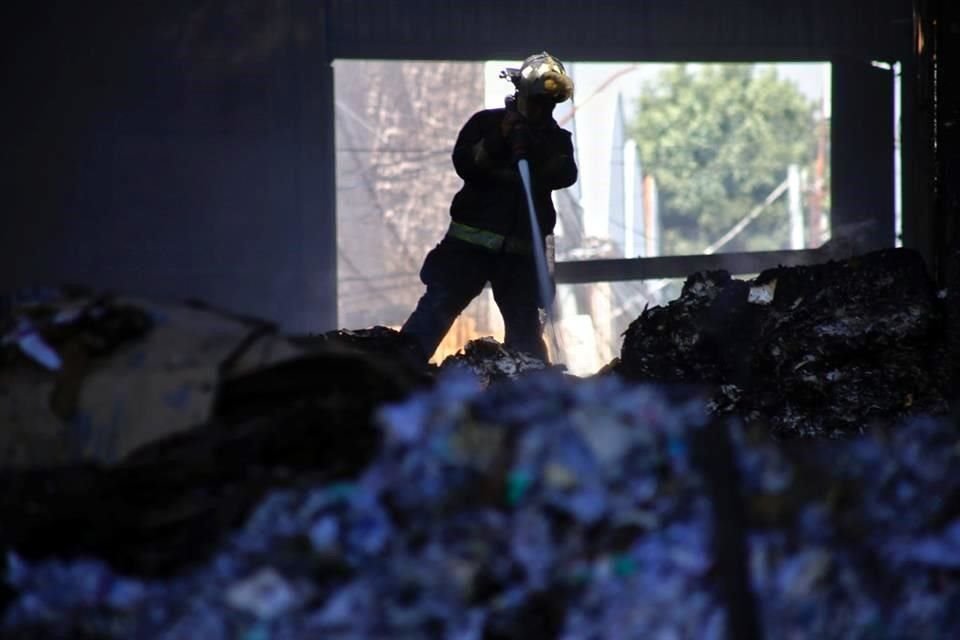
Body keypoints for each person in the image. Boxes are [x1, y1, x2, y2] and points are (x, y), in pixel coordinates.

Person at [400, 51, 578, 363]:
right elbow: (465, 163)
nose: (542, 110)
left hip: (519, 258)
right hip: (467, 250)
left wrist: (533, 146)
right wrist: (500, 138)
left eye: (549, 104)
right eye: (537, 101)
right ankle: (396, 374)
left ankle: (532, 394)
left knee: (525, 334)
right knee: (436, 312)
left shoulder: (556, 140)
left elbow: (565, 174)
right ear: (520, 93)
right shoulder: (485, 124)